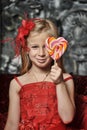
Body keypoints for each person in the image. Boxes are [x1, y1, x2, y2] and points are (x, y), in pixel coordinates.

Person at [4, 18, 75, 130]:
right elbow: (12, 124)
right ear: (26, 49)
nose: (41, 53)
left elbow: (67, 118)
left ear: (55, 47)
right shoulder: (17, 84)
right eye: (35, 47)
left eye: (46, 47)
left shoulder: (66, 80)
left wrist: (59, 83)